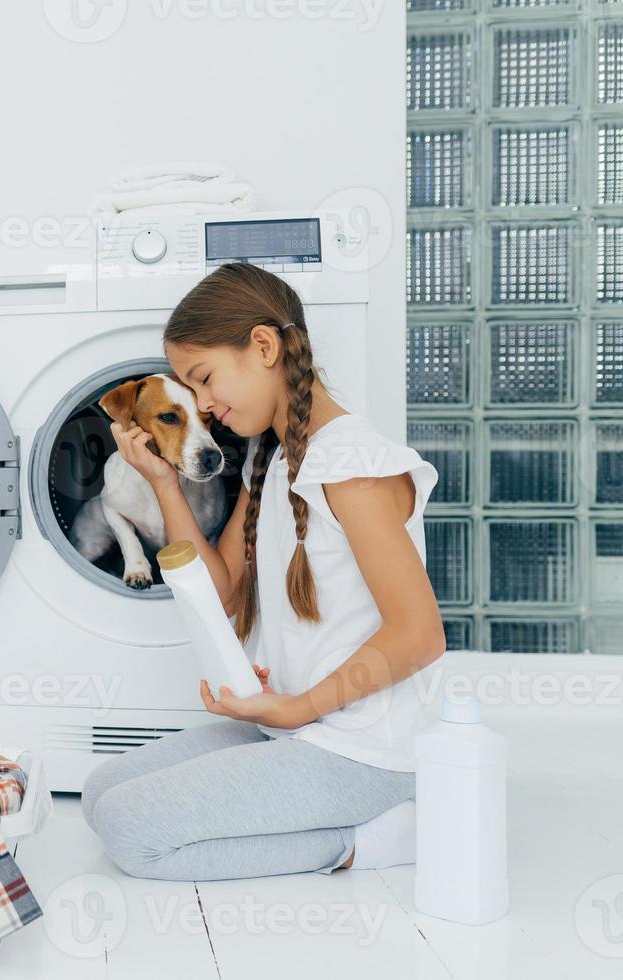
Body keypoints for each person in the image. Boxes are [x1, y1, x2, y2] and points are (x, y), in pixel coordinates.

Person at [81, 262, 447, 880]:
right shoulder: (272, 462)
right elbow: (221, 590)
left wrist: (299, 707)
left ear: (264, 346)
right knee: (99, 794)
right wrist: (163, 482)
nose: (202, 404)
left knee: (129, 829)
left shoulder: (353, 463)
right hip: (294, 725)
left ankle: (377, 838)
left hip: (364, 749)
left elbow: (419, 635)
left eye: (204, 379)